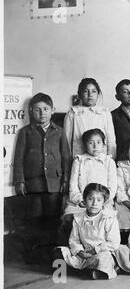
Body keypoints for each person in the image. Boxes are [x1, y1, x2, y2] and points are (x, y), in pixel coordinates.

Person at [13, 92, 71, 258]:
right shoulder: (25, 132)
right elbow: (19, 158)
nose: (42, 113)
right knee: (35, 218)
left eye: (45, 109)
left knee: (52, 218)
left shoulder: (59, 132)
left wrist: (65, 180)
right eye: (37, 110)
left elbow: (66, 157)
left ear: (53, 110)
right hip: (33, 184)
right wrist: (20, 181)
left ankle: (51, 253)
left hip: (54, 183)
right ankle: (34, 253)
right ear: (31, 111)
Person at [56, 183, 120, 280]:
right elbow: (74, 240)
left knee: (103, 259)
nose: (94, 203)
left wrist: (95, 250)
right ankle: (87, 270)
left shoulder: (109, 218)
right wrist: (80, 251)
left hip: (101, 252)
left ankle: (98, 270)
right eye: (90, 199)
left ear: (104, 202)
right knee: (59, 251)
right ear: (84, 201)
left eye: (99, 200)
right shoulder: (78, 217)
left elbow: (113, 243)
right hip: (83, 253)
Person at [64, 128, 117, 216]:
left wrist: (101, 201)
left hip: (103, 204)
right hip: (81, 203)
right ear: (85, 145)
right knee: (72, 218)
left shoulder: (109, 162)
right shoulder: (78, 161)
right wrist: (81, 200)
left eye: (99, 142)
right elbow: (73, 186)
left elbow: (112, 187)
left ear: (104, 144)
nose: (95, 146)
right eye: (91, 143)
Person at [64, 78, 116, 158]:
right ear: (79, 94)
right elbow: (66, 140)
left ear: (98, 94)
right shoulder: (73, 113)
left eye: (93, 91)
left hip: (101, 159)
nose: (90, 95)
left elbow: (111, 140)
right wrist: (68, 161)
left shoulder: (104, 113)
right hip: (79, 158)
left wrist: (111, 159)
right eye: (86, 91)